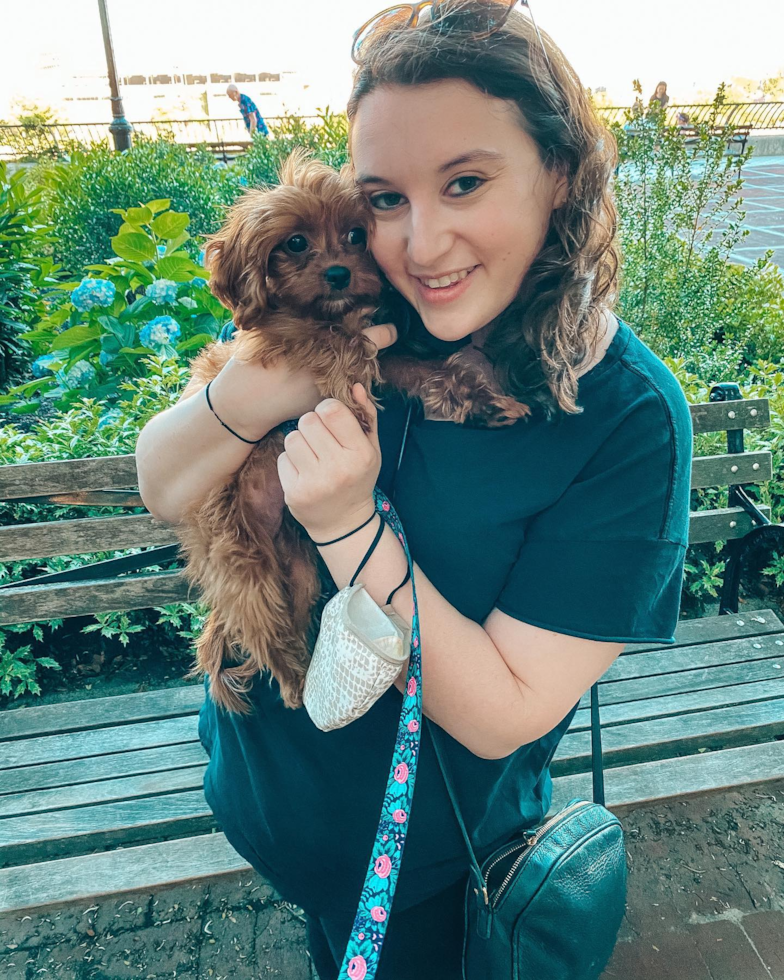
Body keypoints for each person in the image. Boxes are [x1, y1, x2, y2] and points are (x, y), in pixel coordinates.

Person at [136, 3, 692, 977]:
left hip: (429, 863)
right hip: (270, 800)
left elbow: (504, 708)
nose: (420, 244)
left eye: (465, 182)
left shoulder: (623, 416)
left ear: (559, 174)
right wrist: (259, 383)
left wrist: (346, 522)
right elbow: (164, 481)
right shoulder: (369, 316)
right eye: (384, 198)